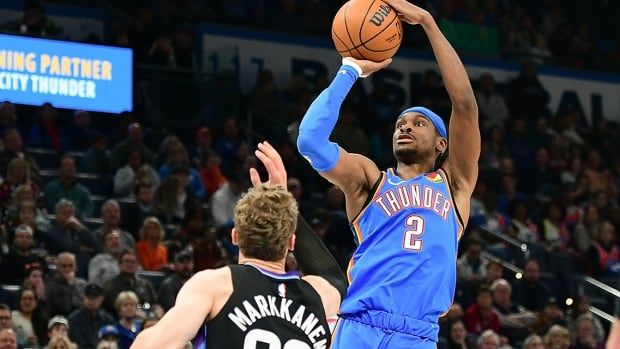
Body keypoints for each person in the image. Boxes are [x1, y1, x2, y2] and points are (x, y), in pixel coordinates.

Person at [296, 1, 479, 347]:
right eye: (400, 124)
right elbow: (309, 141)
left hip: (418, 333)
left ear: (442, 144)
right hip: (359, 325)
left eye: (418, 123)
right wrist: (349, 69)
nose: (405, 127)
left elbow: (466, 106)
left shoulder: (455, 185)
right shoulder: (370, 180)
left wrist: (427, 23)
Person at [131, 142, 347, 348]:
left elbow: (153, 346)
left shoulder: (215, 285)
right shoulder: (320, 295)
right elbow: (334, 277)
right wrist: (284, 204)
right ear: (292, 242)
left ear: (235, 237)